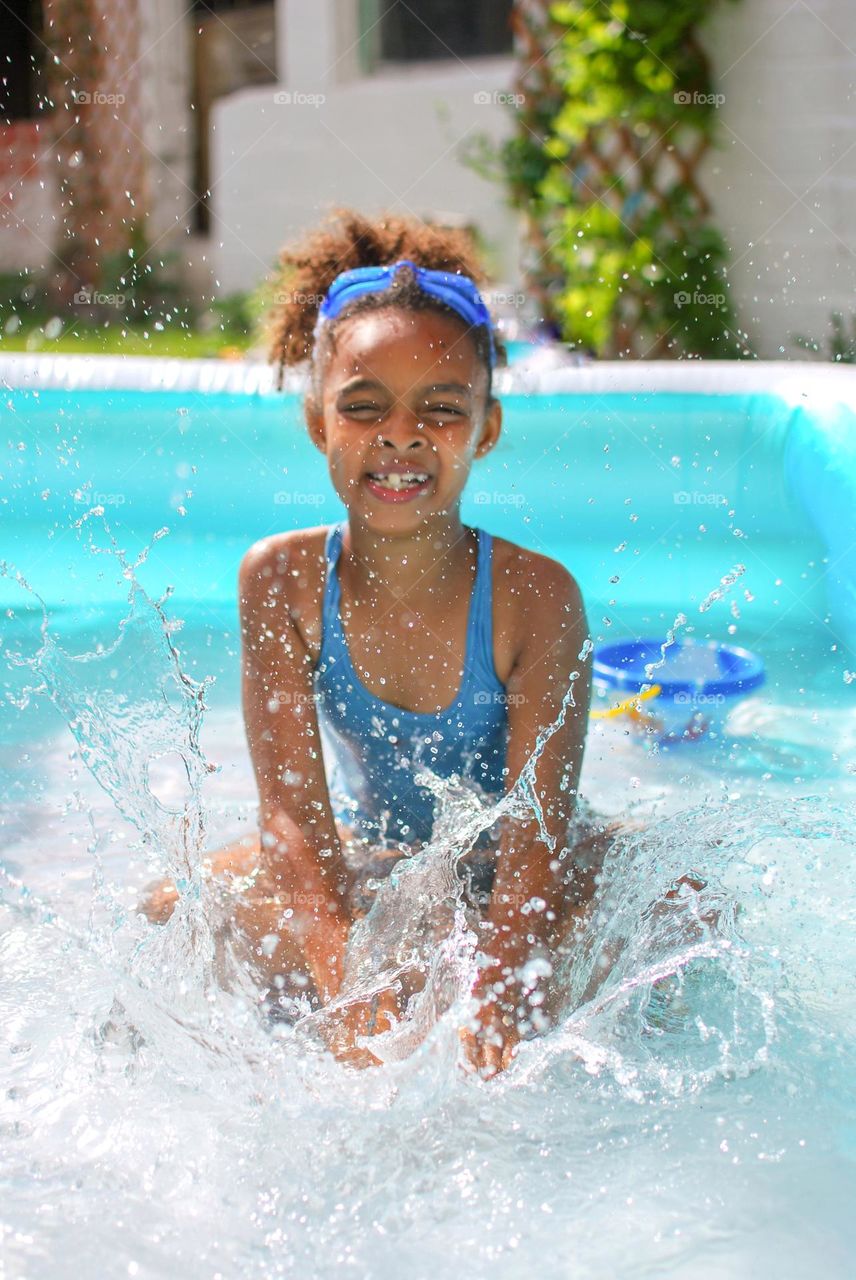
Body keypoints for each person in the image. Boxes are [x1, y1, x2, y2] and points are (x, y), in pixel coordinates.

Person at [141, 209, 705, 1077]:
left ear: (486, 428)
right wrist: (345, 981)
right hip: (383, 858)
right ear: (318, 423)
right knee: (170, 908)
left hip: (521, 870)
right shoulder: (284, 583)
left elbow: (536, 837)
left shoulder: (534, 598)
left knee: (688, 906)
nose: (400, 435)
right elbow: (295, 820)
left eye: (440, 410)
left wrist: (501, 988)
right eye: (363, 408)